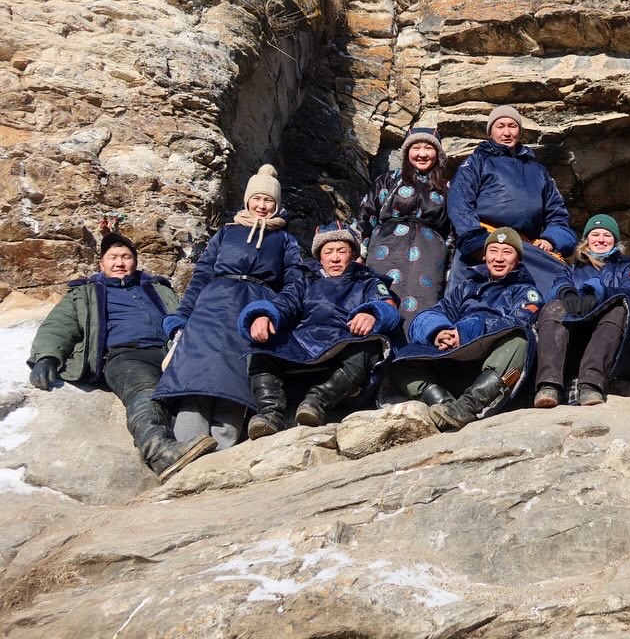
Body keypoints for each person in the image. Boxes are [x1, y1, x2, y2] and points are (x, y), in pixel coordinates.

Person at [26, 233, 215, 480]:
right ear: (101, 264)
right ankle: (159, 453)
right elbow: (58, 326)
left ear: (135, 261)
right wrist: (46, 358)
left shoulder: (158, 288)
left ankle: (213, 443)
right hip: (124, 356)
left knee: (203, 385)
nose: (120, 263)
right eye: (113, 257)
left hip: (171, 352)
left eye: (126, 257)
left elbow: (187, 316)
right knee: (145, 392)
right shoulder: (84, 293)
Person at [154, 165, 304, 449]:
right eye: (257, 199)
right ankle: (187, 449)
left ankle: (222, 453)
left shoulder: (285, 240)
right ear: (247, 200)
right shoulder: (226, 233)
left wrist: (271, 312)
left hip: (253, 309)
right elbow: (201, 275)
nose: (262, 205)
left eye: (269, 200)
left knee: (234, 379)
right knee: (194, 375)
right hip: (210, 307)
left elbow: (296, 284)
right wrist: (181, 318)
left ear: (277, 204)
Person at [238, 222, 401, 437]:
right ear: (319, 257)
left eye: (341, 251)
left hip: (343, 343)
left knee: (369, 345)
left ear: (352, 254)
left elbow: (389, 307)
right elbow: (286, 302)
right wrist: (264, 315)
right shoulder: (305, 279)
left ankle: (317, 401)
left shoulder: (367, 280)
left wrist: (372, 313)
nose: (335, 258)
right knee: (261, 346)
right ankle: (270, 413)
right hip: (303, 342)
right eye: (328, 252)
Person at [391, 227, 542, 431]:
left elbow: (519, 321)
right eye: (493, 251)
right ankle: (444, 405)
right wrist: (438, 332)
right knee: (400, 360)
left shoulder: (527, 292)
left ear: (517, 259)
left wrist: (467, 331)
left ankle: (467, 407)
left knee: (519, 339)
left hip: (490, 370)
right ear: (485, 255)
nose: (498, 258)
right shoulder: (467, 287)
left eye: (507, 252)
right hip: (454, 360)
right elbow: (430, 314)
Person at [447, 105, 576, 296]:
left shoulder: (538, 171)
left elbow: (557, 214)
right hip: (484, 242)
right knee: (465, 300)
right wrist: (476, 242)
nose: (507, 132)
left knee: (561, 285)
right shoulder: (475, 162)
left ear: (520, 131)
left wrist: (551, 239)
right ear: (490, 132)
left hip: (525, 248)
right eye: (500, 126)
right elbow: (460, 203)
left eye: (512, 126)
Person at [534, 214, 630, 407]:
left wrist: (599, 295)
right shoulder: (570, 269)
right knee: (553, 307)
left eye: (607, 235)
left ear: (615, 241)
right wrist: (568, 293)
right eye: (595, 234)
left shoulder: (627, 266)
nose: (601, 239)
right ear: (586, 240)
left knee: (618, 308)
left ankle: (591, 385)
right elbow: (556, 287)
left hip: (611, 346)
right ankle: (548, 385)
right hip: (575, 340)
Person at [355, 127, 453, 332]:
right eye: (416, 147)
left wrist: (449, 264)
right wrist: (359, 252)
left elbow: (452, 231)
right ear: (407, 152)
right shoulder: (389, 179)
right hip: (387, 250)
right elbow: (367, 213)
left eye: (429, 148)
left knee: (425, 305)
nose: (422, 153)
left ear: (438, 154)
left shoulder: (446, 189)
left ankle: (414, 357)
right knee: (381, 298)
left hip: (429, 257)